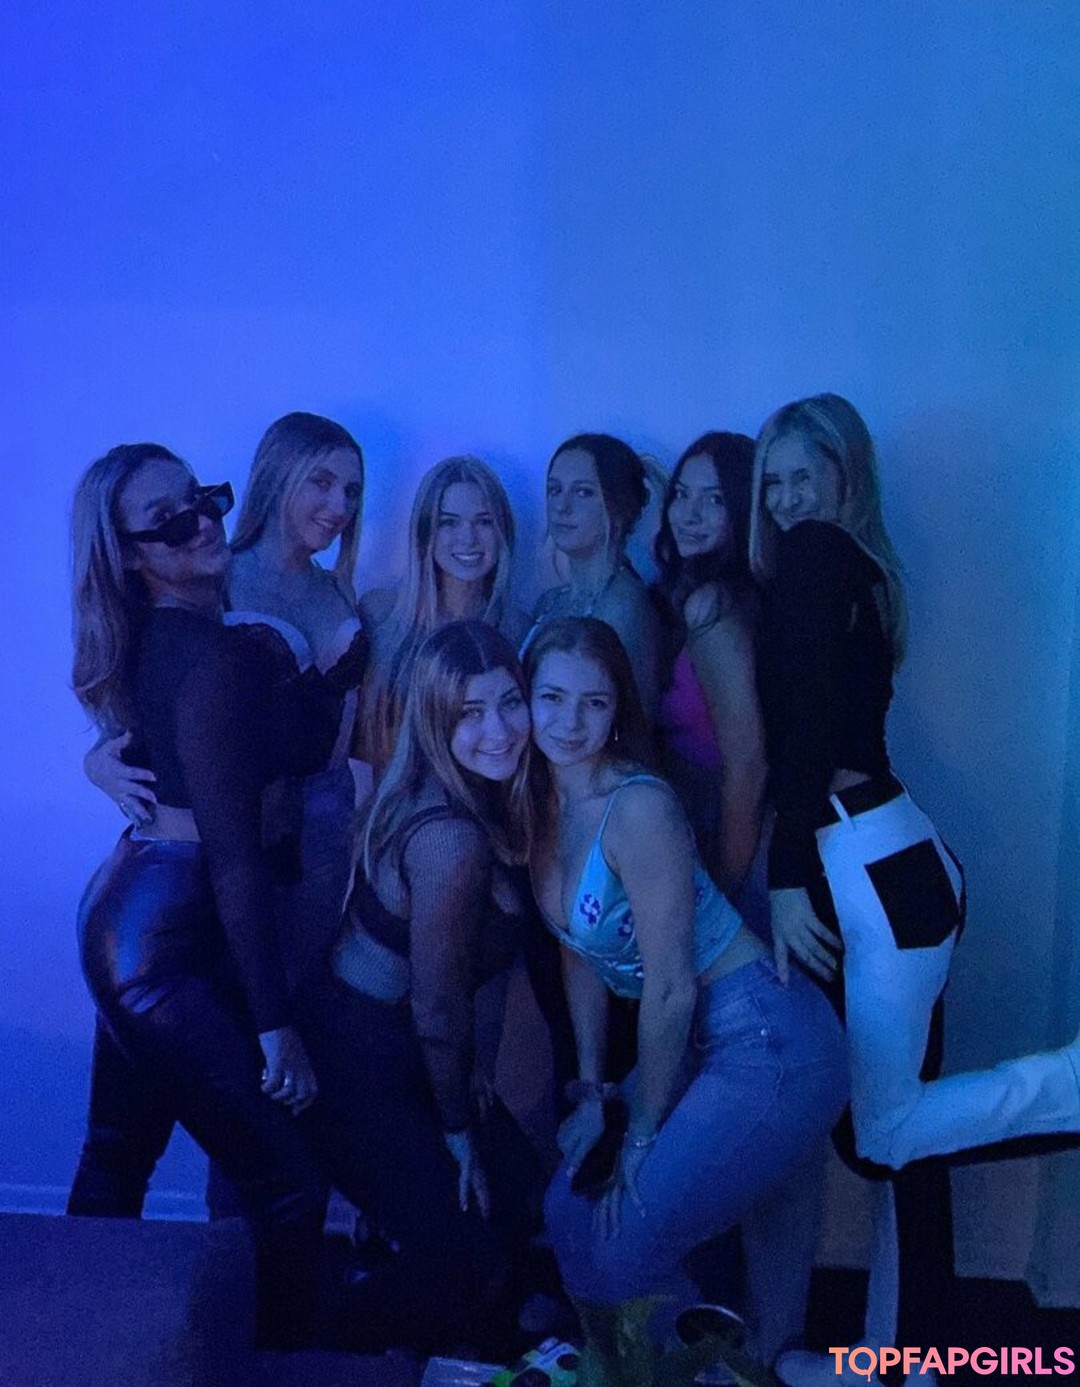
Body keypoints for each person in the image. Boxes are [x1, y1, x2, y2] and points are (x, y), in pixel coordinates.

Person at [749, 393, 1080, 1385]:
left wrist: (785, 876)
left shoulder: (817, 557)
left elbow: (807, 734)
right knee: (900, 1133)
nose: (786, 498)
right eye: (773, 481)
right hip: (893, 857)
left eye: (804, 474)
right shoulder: (855, 569)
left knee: (881, 1128)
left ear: (847, 474)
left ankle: (1066, 1084)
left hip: (864, 863)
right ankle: (904, 1361)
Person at [526, 617, 848, 1383]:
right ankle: (679, 1368)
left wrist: (639, 1134)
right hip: (702, 1038)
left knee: (626, 1237)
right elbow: (576, 951)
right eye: (552, 698)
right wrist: (592, 1090)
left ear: (617, 712)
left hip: (765, 1037)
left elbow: (670, 987)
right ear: (527, 698)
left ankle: (709, 1371)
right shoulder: (542, 804)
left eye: (594, 702)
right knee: (569, 1213)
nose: (570, 722)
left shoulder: (638, 806)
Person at [70, 414, 367, 1222]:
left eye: (201, 500)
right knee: (282, 1171)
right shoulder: (208, 620)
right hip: (175, 918)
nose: (198, 522)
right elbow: (228, 842)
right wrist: (276, 1028)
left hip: (159, 902)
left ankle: (96, 1309)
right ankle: (241, 1307)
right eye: (167, 520)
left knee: (120, 1149)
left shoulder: (224, 611)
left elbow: (246, 740)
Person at [296, 621, 544, 1355]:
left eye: (509, 702)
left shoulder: (470, 794)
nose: (498, 730)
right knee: (469, 1255)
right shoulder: (450, 837)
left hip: (393, 1042)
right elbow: (437, 1004)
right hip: (360, 1058)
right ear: (435, 720)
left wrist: (465, 1084)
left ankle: (456, 1350)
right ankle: (313, 1350)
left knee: (518, 1192)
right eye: (470, 713)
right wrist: (457, 1130)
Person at [358, 455, 527, 776]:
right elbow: (359, 743)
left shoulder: (519, 630)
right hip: (391, 798)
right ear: (425, 532)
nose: (468, 538)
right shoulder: (379, 613)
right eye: (449, 522)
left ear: (503, 531)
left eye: (484, 521)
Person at [654, 431, 767, 905]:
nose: (689, 514)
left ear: (743, 509)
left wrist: (724, 890)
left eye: (714, 500)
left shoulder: (714, 608)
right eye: (682, 495)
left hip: (731, 836)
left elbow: (748, 769)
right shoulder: (709, 594)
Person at [528, 434, 662, 722]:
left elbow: (637, 722)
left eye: (583, 492)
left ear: (619, 506)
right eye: (554, 490)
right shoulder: (549, 602)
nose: (562, 506)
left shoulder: (626, 608)